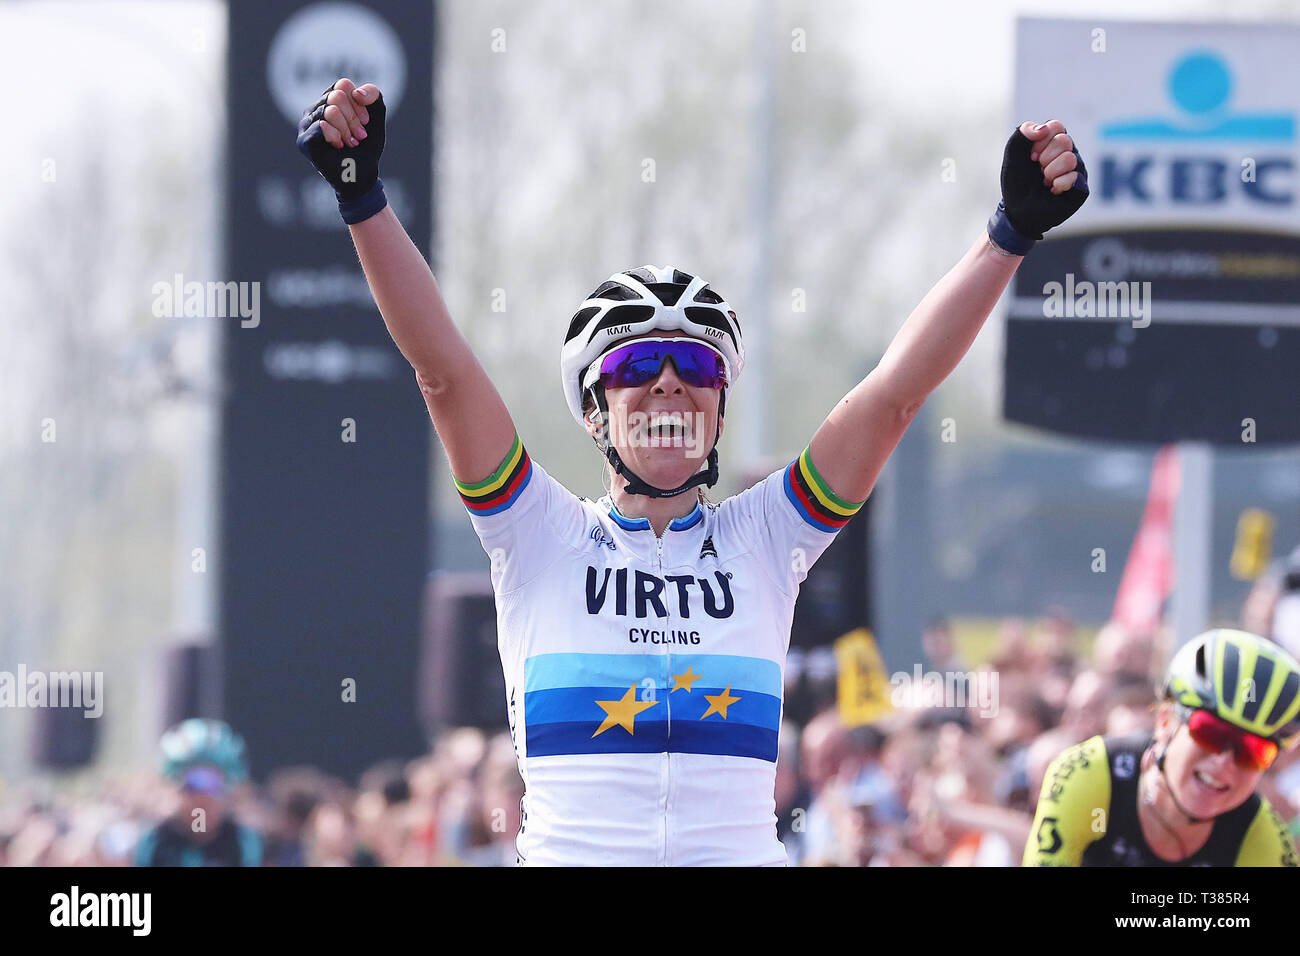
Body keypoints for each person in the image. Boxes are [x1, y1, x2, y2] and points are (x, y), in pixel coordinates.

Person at [296, 77, 1089, 865]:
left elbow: (894, 397)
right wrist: (363, 199)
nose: (671, 383)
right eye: (639, 364)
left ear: (719, 408)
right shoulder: (536, 531)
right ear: (595, 411)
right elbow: (443, 374)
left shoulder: (767, 535)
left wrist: (1009, 234)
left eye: (698, 366)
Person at [1024, 628, 1300, 866]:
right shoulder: (1089, 773)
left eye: (1253, 751)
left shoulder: (1262, 836)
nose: (1223, 761)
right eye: (1211, 733)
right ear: (1165, 721)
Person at [134, 719, 263, 867]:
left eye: (213, 783)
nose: (202, 797)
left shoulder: (242, 843)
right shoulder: (155, 843)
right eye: (193, 783)